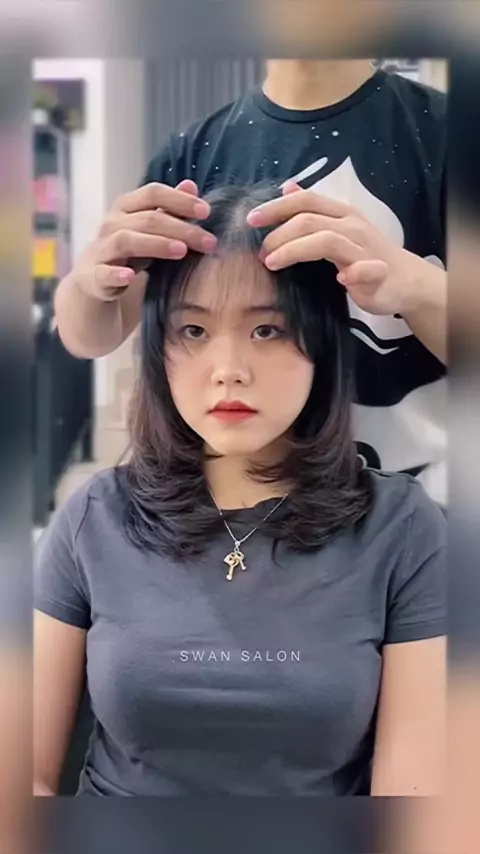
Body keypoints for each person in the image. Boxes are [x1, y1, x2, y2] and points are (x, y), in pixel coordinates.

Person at [35, 185, 446, 798]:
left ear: (322, 343)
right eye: (193, 330)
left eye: (267, 330)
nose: (228, 369)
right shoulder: (95, 516)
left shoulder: (402, 529)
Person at [54, 60, 447, 504]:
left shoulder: (446, 136)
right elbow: (93, 333)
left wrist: (417, 287)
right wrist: (90, 283)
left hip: (425, 504)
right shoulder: (192, 154)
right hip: (242, 512)